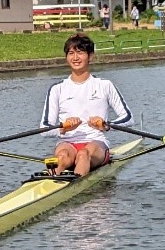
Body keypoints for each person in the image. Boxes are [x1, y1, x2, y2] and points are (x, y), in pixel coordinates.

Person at [40, 33, 133, 177]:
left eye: (80, 52)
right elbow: (44, 129)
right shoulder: (57, 89)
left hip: (96, 142)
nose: (75, 58)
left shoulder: (104, 85)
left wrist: (106, 125)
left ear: (90, 56)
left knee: (83, 154)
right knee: (63, 156)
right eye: (71, 53)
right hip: (66, 143)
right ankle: (48, 183)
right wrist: (62, 128)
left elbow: (128, 118)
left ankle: (73, 187)